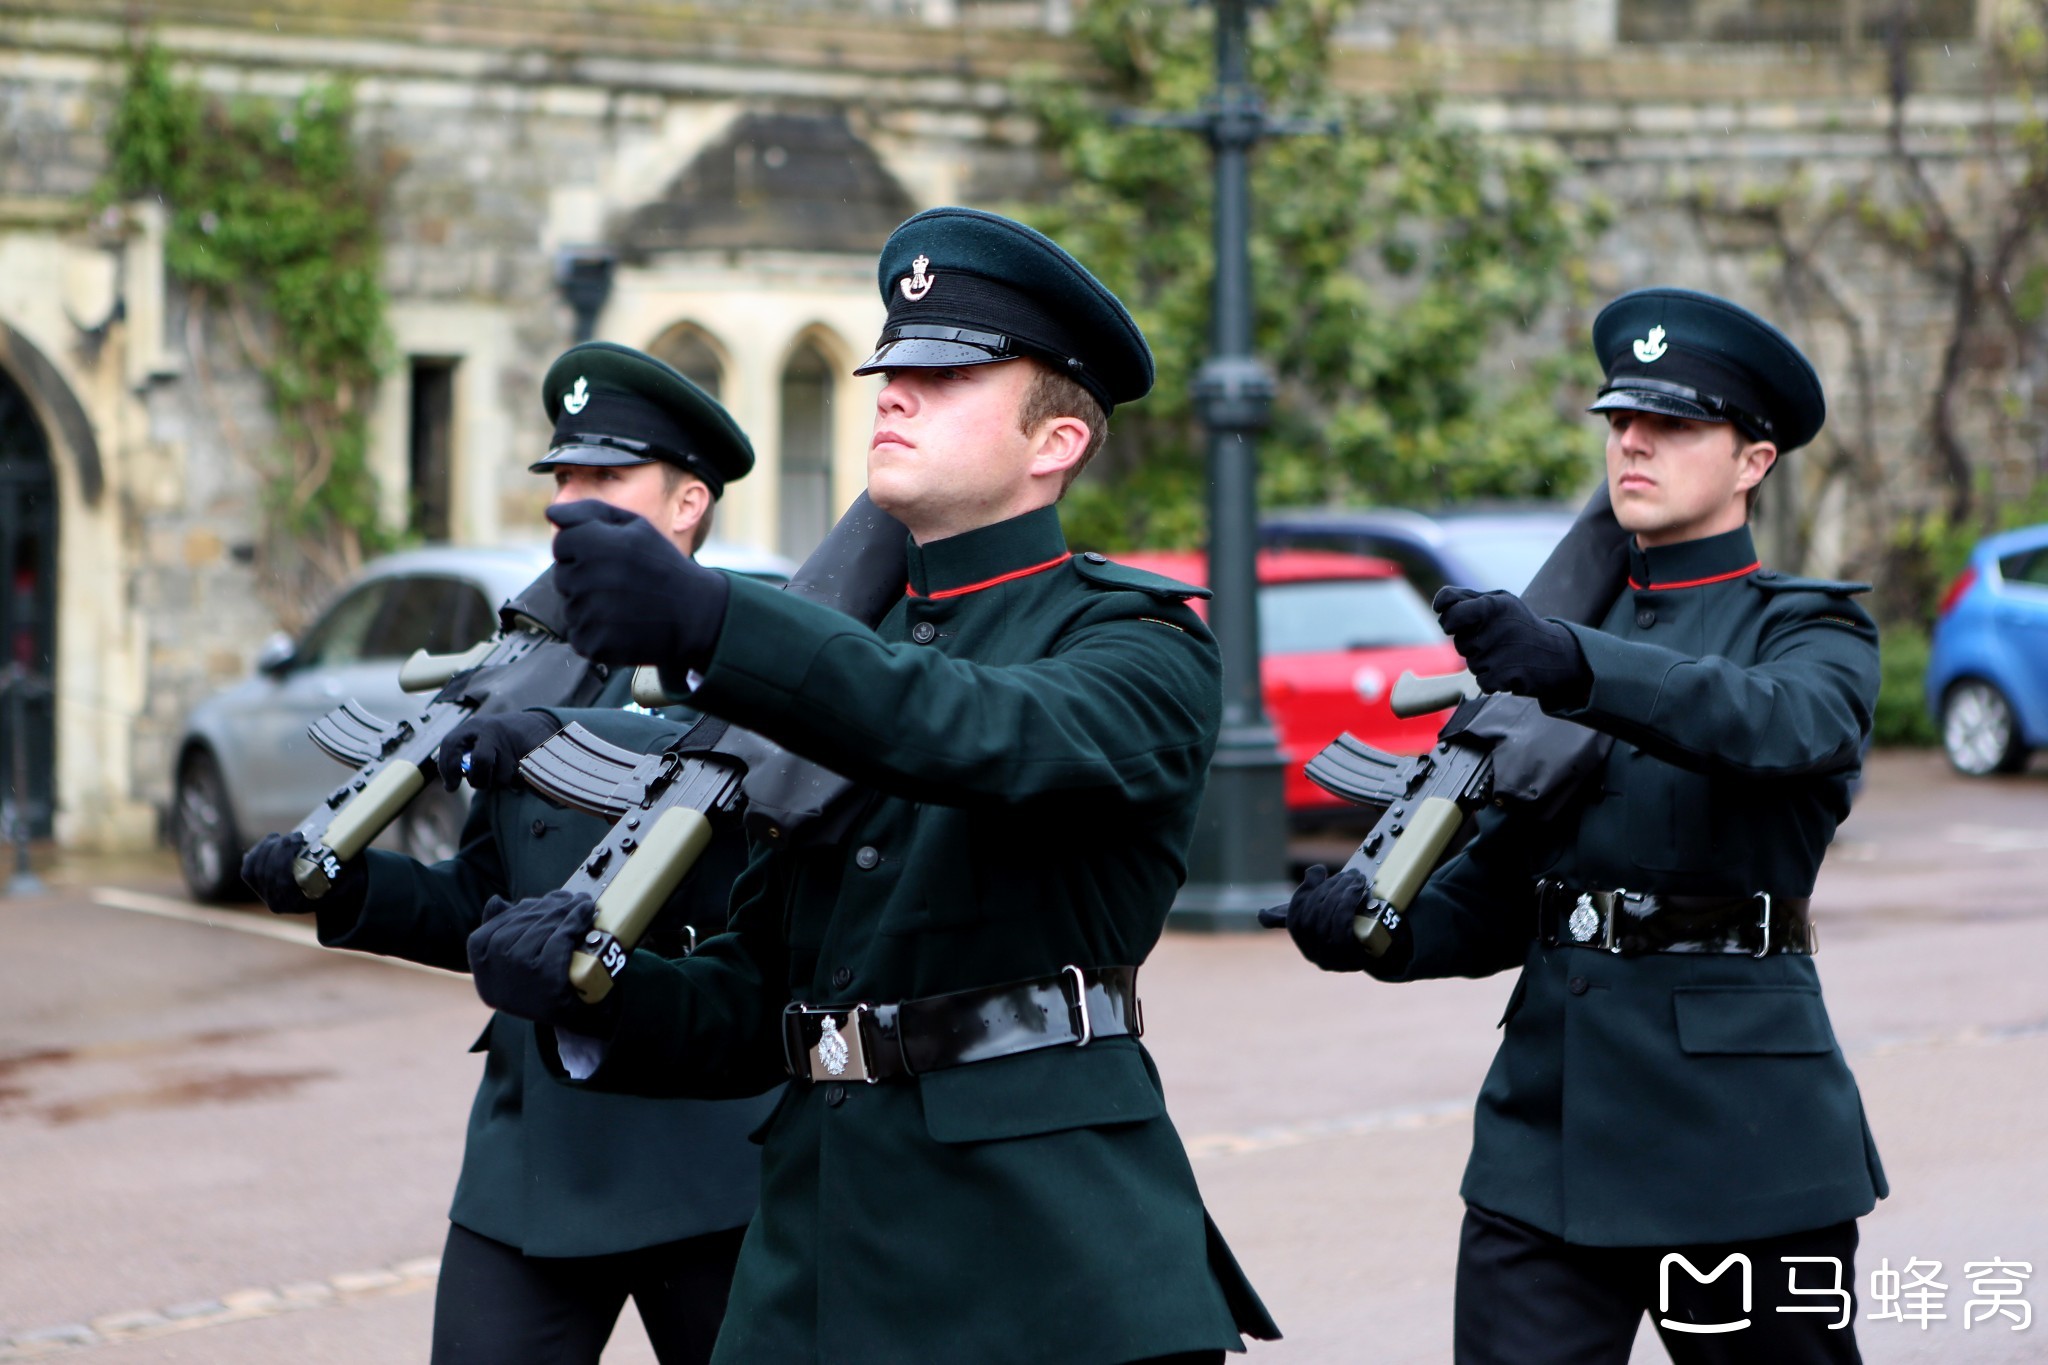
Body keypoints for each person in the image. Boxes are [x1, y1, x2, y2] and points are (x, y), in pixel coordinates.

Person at [462, 207, 1281, 1365]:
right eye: (891, 363)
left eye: (942, 374)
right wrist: (593, 990)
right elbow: (756, 1001)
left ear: (1053, 444)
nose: (891, 388)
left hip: (1046, 1261)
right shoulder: (837, 659)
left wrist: (716, 624)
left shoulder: (1135, 644)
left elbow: (979, 731)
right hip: (815, 1258)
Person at [1281, 287, 1885, 1363]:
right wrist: (1384, 931)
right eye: (1617, 422)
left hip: (1740, 1125)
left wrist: (1577, 666)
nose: (1632, 443)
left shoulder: (1806, 629)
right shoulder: (1560, 632)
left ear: (1752, 461)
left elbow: (1782, 727)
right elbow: (1519, 868)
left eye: (1673, 425)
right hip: (1548, 1125)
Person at [238, 342, 774, 1365]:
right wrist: (347, 890)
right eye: (561, 477)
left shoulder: (749, 666)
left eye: (606, 479)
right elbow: (482, 901)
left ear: (687, 504)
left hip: (709, 1153)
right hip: (532, 1156)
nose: (568, 503)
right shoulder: (526, 665)